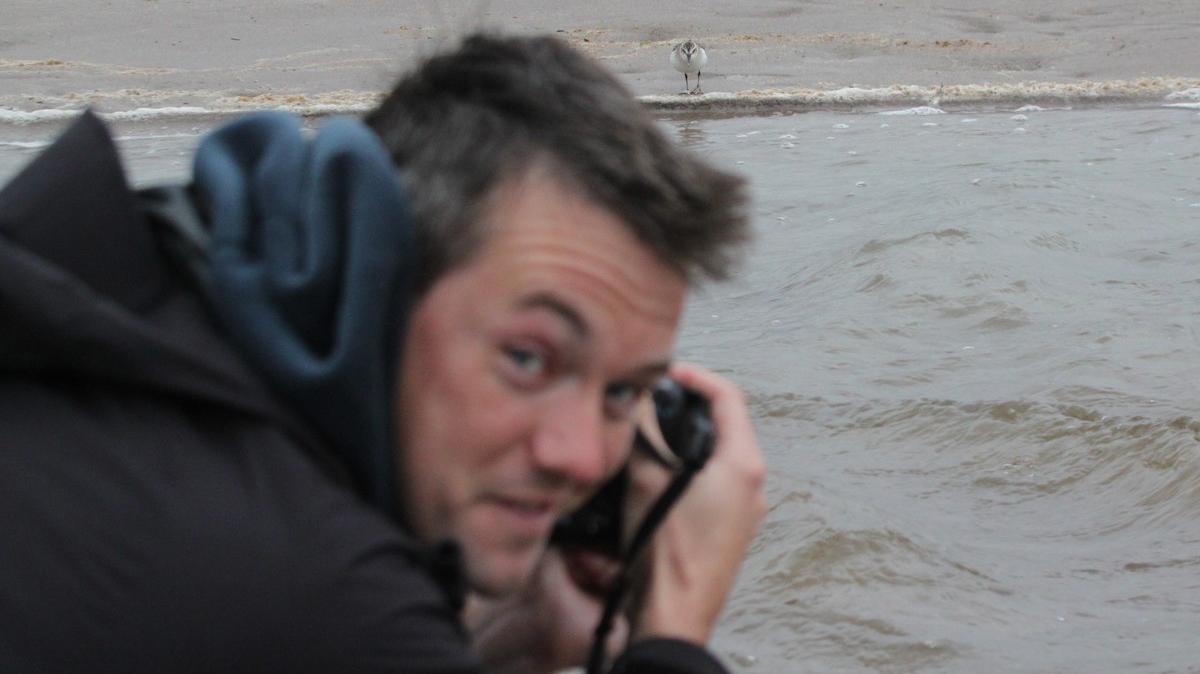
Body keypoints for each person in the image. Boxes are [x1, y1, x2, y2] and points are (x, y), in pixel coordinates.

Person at [0, 33, 765, 672]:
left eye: (622, 395)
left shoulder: (133, 296)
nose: (580, 459)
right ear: (385, 273)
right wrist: (675, 616)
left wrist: (509, 634)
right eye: (528, 359)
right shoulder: (315, 589)